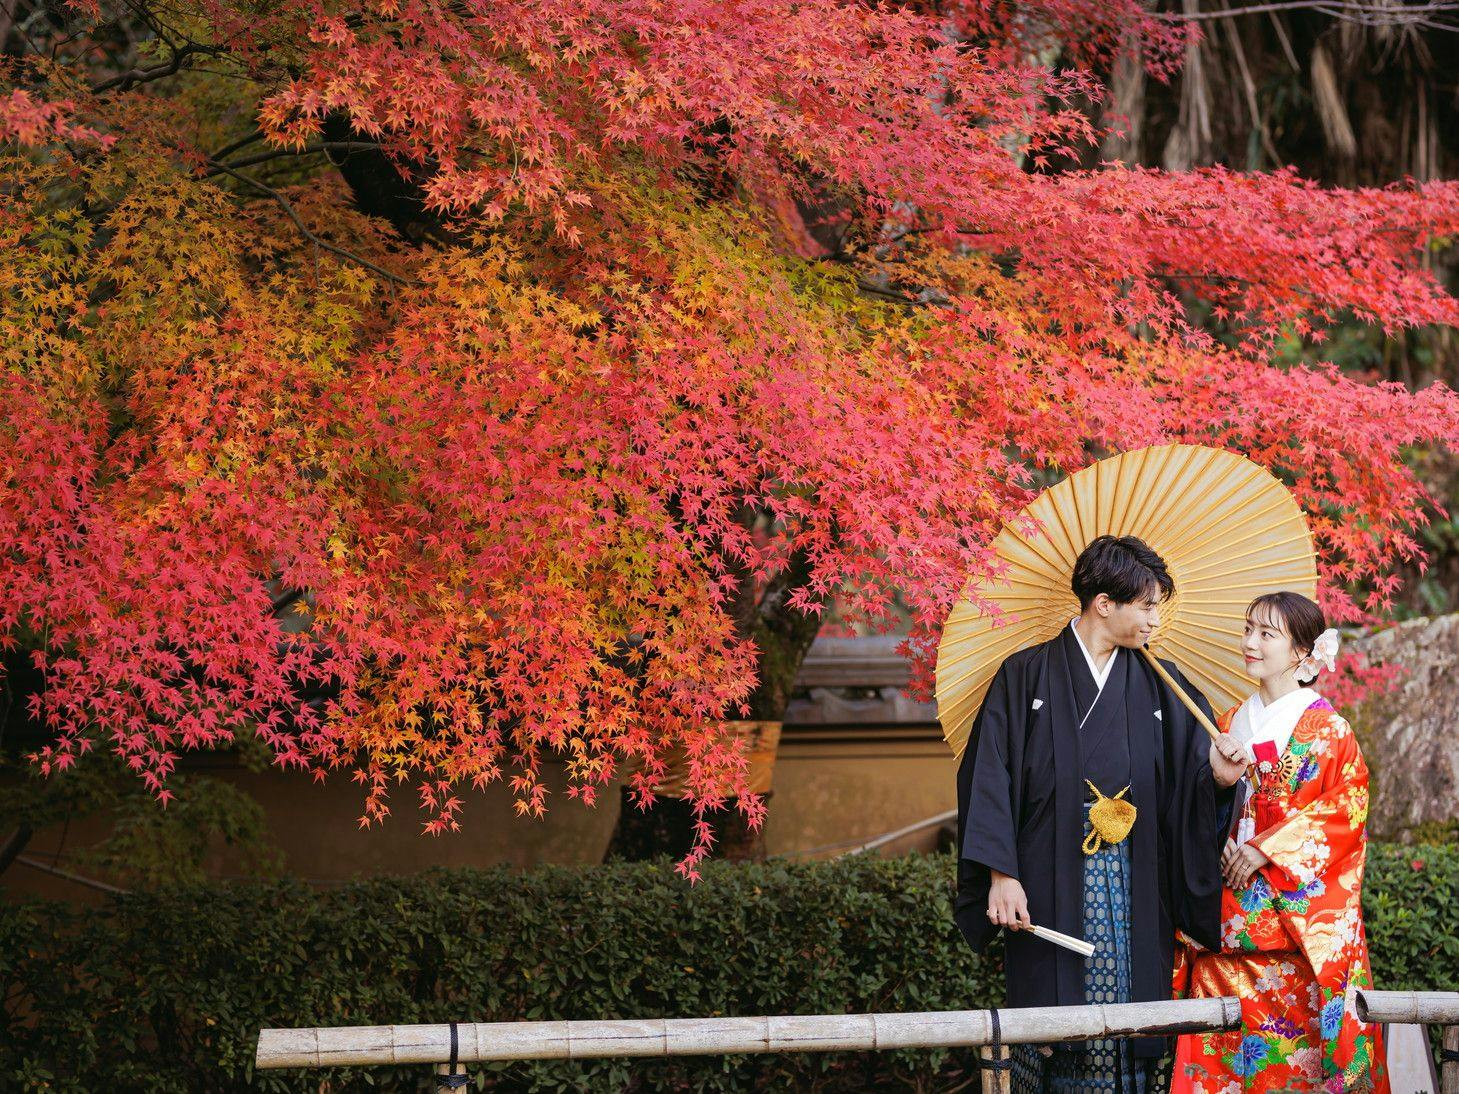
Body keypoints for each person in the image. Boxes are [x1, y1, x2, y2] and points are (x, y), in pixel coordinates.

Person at [955, 534, 1248, 1092]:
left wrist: (1216, 778)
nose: (1156, 619)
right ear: (1104, 603)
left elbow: (1192, 783)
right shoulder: (1024, 675)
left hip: (1138, 878)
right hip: (1044, 875)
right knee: (1051, 1024)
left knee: (1131, 1019)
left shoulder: (1163, 683)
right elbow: (987, 777)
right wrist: (1001, 874)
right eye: (1147, 605)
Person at [1170, 592, 1389, 1093]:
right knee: (1214, 1068)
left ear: (1301, 652)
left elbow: (1346, 810)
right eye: (1248, 629)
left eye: (1266, 634)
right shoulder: (1226, 722)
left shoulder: (1329, 731)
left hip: (1290, 945)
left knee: (1293, 1074)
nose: (1250, 642)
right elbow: (1188, 809)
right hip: (1222, 935)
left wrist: (1264, 848)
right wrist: (1218, 813)